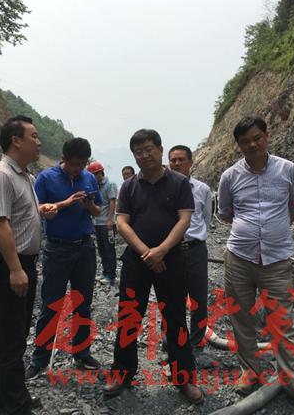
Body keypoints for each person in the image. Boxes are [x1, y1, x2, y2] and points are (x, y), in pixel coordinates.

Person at [218, 117, 294, 415]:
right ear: (238, 145)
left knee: (282, 321)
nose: (252, 144)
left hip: (276, 260)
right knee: (241, 317)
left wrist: (275, 230)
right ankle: (250, 371)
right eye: (245, 141)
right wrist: (250, 230)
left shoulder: (287, 169)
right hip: (239, 257)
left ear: (267, 136)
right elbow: (225, 213)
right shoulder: (230, 176)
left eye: (256, 138)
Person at [103, 129, 203, 405]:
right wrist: (147, 253)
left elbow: (184, 220)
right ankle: (122, 374)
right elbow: (122, 223)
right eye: (138, 152)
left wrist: (161, 251)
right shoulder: (128, 186)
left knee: (175, 318)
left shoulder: (179, 182)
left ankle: (184, 378)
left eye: (149, 149)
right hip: (137, 260)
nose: (144, 155)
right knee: (128, 318)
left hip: (171, 259)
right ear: (134, 156)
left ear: (160, 150)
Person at [0, 115, 57, 414]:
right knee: (13, 337)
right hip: (6, 265)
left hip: (22, 263)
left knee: (12, 335)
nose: (39, 142)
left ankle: (4, 398)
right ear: (16, 141)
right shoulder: (1, 175)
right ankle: (15, 405)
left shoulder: (25, 176)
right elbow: (0, 225)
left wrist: (40, 210)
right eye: (34, 136)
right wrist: (15, 269)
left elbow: (16, 214)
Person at [25, 138, 103, 380]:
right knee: (51, 306)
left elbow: (98, 210)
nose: (79, 169)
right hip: (57, 249)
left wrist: (88, 206)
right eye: (75, 164)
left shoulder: (89, 178)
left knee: (83, 304)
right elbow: (35, 209)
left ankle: (81, 353)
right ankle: (39, 360)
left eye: (83, 164)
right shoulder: (46, 178)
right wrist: (64, 204)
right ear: (63, 158)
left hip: (85, 248)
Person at [168, 145, 212, 349]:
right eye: (173, 160)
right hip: (171, 250)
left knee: (198, 296)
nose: (177, 163)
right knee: (170, 296)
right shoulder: (163, 188)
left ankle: (196, 340)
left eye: (181, 159)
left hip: (195, 249)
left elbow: (206, 218)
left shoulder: (202, 189)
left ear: (191, 162)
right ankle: (172, 340)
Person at [87, 161, 118, 285]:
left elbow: (113, 202)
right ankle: (105, 272)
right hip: (99, 223)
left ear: (100, 173)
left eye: (94, 175)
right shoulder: (98, 186)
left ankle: (111, 275)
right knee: (102, 250)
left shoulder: (110, 184)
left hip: (107, 223)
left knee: (109, 250)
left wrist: (110, 220)